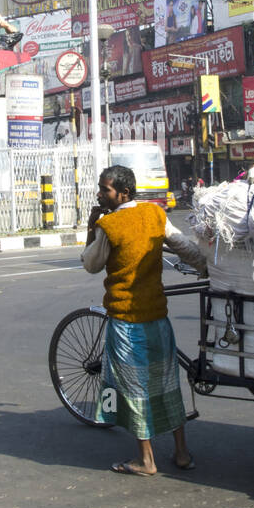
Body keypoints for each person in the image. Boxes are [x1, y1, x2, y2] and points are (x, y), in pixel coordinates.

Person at [81, 164, 208, 476]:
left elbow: (91, 265)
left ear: (123, 193)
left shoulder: (110, 225)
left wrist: (91, 228)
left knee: (134, 389)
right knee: (166, 383)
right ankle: (181, 453)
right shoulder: (154, 214)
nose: (100, 194)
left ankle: (146, 460)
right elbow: (183, 247)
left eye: (105, 189)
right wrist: (209, 267)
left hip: (127, 320)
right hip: (158, 318)